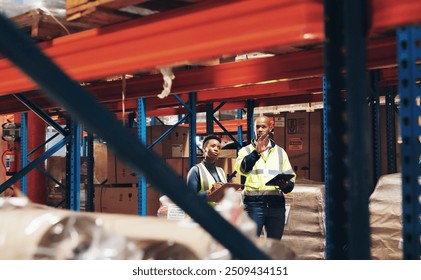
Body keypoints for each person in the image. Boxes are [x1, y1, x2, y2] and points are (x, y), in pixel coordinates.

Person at [235, 115, 295, 240]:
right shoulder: (245, 151)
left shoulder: (280, 152)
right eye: (257, 127)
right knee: (250, 243)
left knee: (274, 245)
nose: (260, 129)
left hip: (276, 205)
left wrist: (286, 185)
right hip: (254, 204)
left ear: (270, 128)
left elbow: (291, 179)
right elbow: (242, 169)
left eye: (263, 126)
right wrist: (256, 153)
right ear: (253, 129)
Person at [186, 134, 227, 203]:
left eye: (219, 147)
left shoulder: (221, 171)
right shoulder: (196, 170)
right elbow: (190, 197)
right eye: (213, 146)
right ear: (204, 149)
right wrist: (209, 192)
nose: (216, 149)